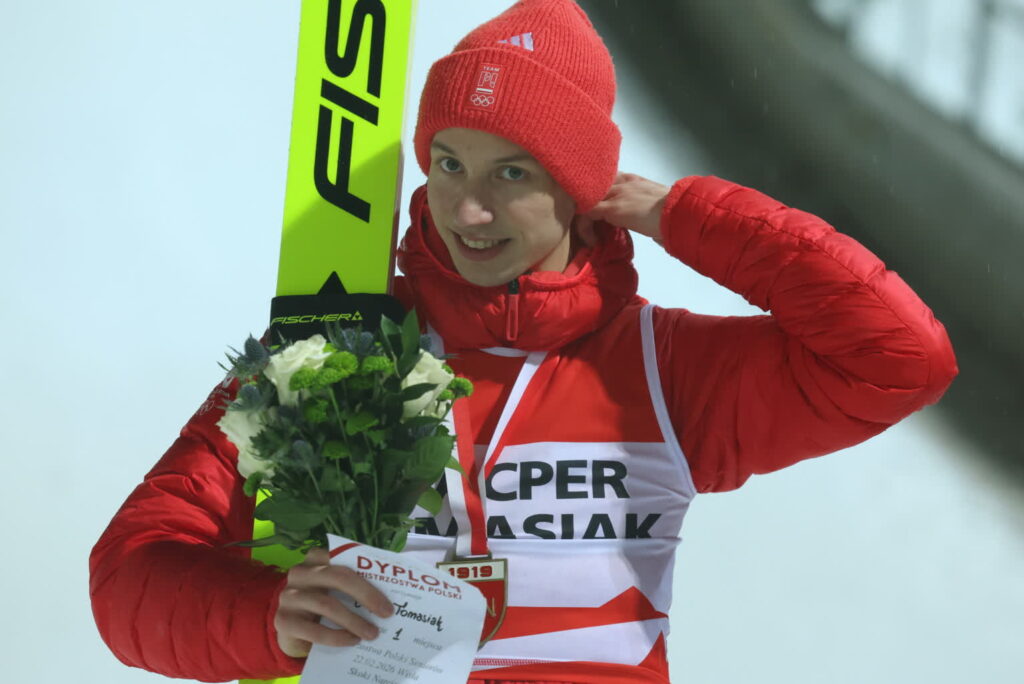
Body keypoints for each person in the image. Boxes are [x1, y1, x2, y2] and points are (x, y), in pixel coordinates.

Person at [89, 1, 958, 683]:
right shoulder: (338, 357)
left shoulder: (667, 370)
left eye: (513, 173)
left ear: (581, 190)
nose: (469, 210)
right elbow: (129, 578)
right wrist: (265, 618)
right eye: (450, 164)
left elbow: (899, 359)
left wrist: (686, 215)